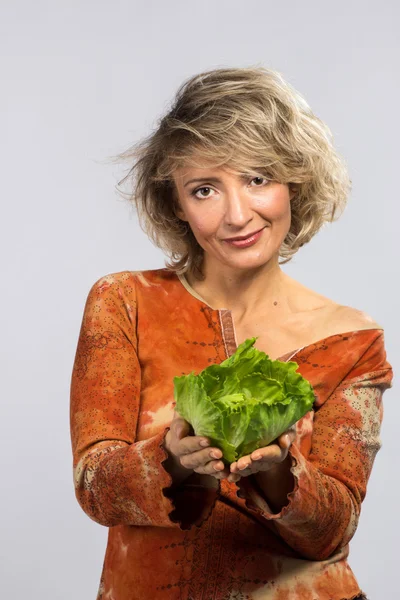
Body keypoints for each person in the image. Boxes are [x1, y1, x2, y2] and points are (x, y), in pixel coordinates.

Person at [70, 66, 393, 600]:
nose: (237, 215)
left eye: (258, 179)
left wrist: (280, 468)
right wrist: (171, 458)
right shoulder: (124, 302)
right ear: (176, 203)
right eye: (204, 190)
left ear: (294, 180)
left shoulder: (352, 341)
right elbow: (95, 489)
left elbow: (333, 530)